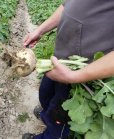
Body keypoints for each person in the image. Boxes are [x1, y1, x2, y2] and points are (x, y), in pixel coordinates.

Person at [22, 0, 114, 139]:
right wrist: (40, 29)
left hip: (83, 77)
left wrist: (73, 77)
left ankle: (50, 132)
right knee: (46, 94)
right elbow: (69, 5)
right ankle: (46, 115)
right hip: (60, 60)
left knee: (60, 119)